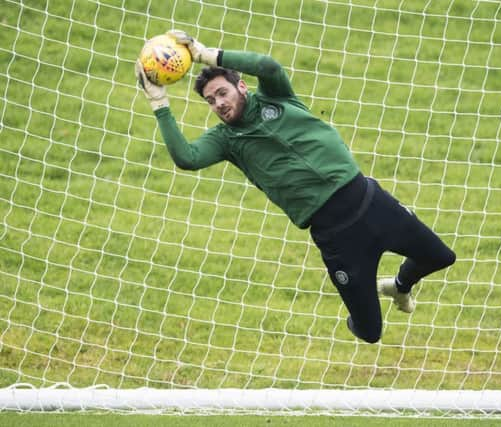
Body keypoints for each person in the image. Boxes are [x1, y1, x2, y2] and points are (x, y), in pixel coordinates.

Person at [135, 30, 456, 344]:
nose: (218, 103)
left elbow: (268, 66)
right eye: (210, 101)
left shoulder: (276, 96)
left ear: (242, 87)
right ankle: (366, 293)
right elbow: (186, 158)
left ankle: (399, 285)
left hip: (372, 203)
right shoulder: (224, 141)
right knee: (370, 332)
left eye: (222, 93)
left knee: (440, 256)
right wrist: (159, 102)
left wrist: (206, 55)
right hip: (337, 237)